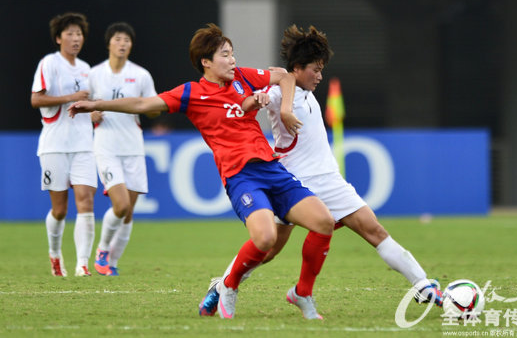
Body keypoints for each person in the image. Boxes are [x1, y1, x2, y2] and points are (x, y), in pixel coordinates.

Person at [68, 23, 334, 319]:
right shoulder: (191, 93)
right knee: (266, 239)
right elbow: (143, 103)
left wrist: (284, 108)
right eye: (225, 55)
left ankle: (303, 293)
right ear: (206, 61)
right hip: (240, 176)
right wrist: (95, 103)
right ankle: (227, 287)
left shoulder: (244, 77)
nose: (233, 60)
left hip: (272, 168)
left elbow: (284, 76)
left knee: (324, 221)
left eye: (233, 54)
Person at [198, 25, 444, 317]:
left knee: (373, 229)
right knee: (268, 248)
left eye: (321, 69)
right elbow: (251, 101)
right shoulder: (277, 94)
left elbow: (288, 81)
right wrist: (258, 101)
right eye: (315, 69)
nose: (320, 75)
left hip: (329, 181)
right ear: (298, 68)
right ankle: (222, 286)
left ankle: (423, 286)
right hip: (293, 181)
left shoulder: (307, 92)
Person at [89, 22, 158, 276]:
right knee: (120, 206)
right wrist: (91, 114)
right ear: (109, 43)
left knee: (129, 213)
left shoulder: (140, 75)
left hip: (133, 147)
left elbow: (153, 107)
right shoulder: (94, 74)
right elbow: (81, 106)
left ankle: (112, 264)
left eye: (127, 40)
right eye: (118, 39)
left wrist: (145, 107)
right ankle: (102, 251)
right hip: (106, 146)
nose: (122, 44)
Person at [31, 12, 96, 277]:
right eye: (69, 33)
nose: (75, 38)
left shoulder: (86, 69)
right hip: (55, 144)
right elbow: (36, 99)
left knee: (86, 201)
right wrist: (72, 98)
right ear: (59, 38)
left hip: (84, 144)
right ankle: (55, 255)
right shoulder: (49, 63)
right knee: (60, 210)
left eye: (79, 34)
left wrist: (94, 112)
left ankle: (82, 264)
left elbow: (87, 105)